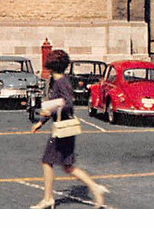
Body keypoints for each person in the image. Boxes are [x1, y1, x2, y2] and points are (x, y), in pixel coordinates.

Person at [30, 48, 108, 209]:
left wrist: (50, 110)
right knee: (67, 166)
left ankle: (48, 198)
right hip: (63, 128)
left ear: (51, 66)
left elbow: (67, 103)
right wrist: (42, 121)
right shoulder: (60, 80)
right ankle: (95, 188)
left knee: (47, 161)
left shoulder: (61, 82)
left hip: (62, 130)